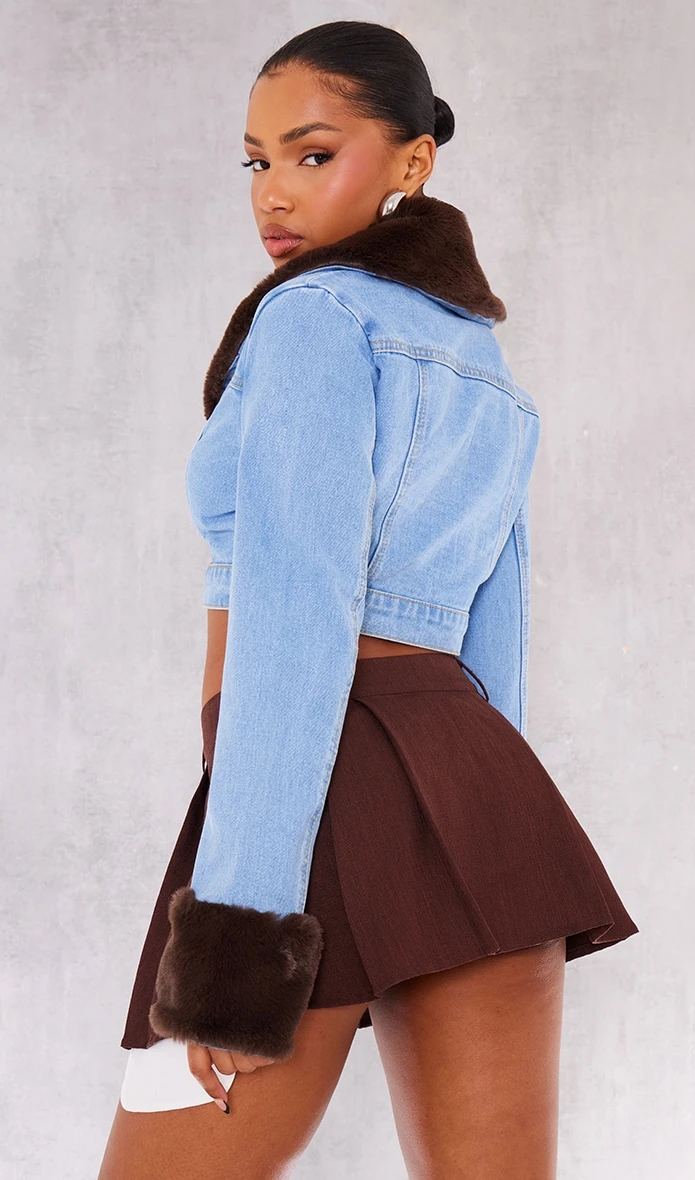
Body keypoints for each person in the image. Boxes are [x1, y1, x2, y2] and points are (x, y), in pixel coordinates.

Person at [98, 20, 639, 1180]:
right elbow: (494, 635)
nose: (273, 192)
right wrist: (476, 826)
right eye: (257, 161)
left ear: (411, 160)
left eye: (312, 153)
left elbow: (299, 617)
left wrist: (237, 937)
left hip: (308, 780)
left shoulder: (312, 317)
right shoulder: (483, 361)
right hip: (480, 791)